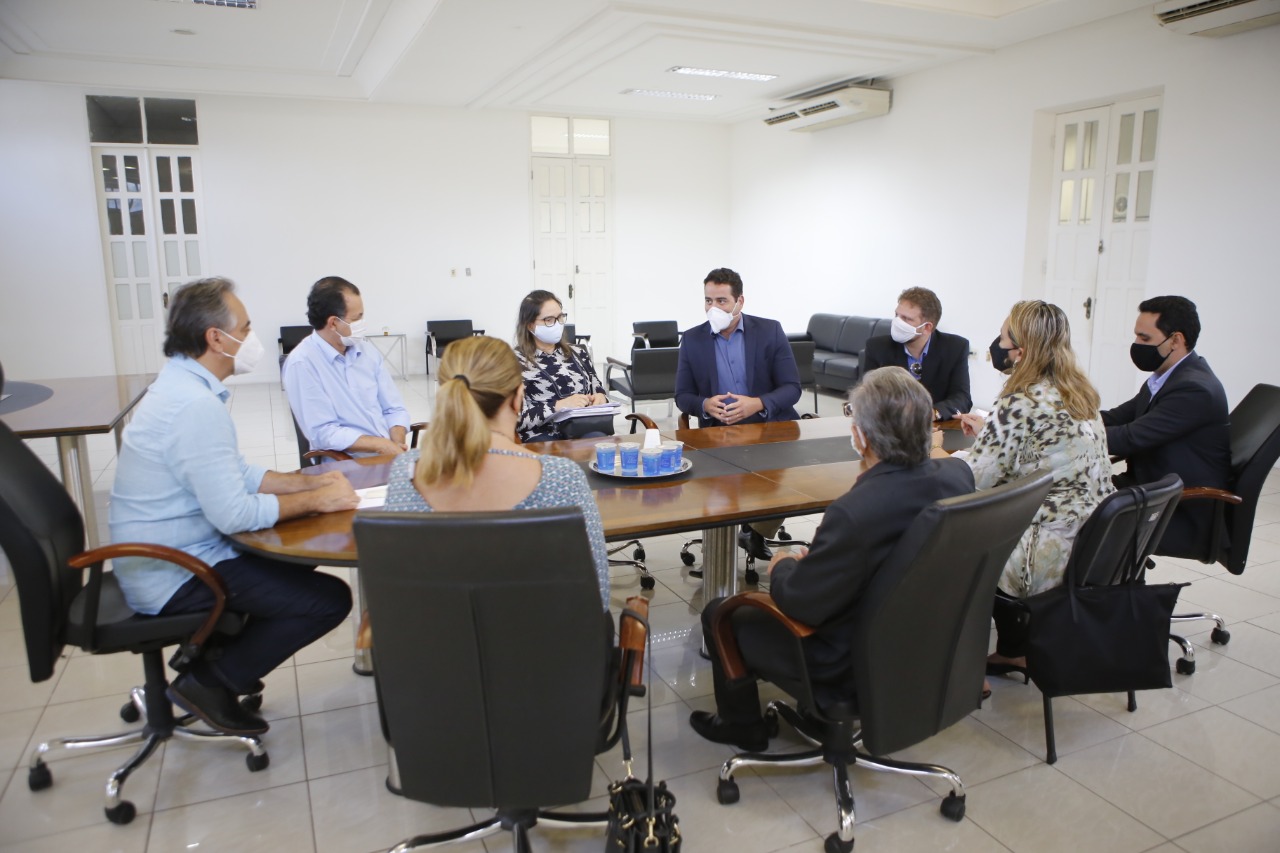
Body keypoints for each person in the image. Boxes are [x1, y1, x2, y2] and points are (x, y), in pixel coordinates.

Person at [109, 277, 358, 736]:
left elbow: (232, 472)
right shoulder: (193, 407)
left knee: (294, 564)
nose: (251, 338)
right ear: (215, 338)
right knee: (327, 600)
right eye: (244, 328)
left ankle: (215, 657)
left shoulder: (182, 387)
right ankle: (208, 682)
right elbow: (235, 515)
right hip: (174, 572)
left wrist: (305, 481)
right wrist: (315, 499)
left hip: (165, 553)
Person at [689, 367, 975, 750]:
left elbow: (800, 604)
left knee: (719, 612)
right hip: (927, 646)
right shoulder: (957, 476)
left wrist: (785, 564)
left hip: (846, 662)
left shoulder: (855, 511)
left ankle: (743, 727)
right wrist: (827, 557)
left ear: (862, 436)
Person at [383, 335, 610, 608]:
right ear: (518, 398)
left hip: (435, 645)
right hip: (544, 644)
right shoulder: (560, 477)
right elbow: (597, 595)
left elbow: (396, 595)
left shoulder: (405, 474)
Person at [955, 300, 1113, 676]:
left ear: (1021, 352)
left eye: (1003, 338)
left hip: (1042, 554)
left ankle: (958, 666)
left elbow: (977, 475)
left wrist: (936, 460)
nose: (997, 345)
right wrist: (991, 433)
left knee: (949, 549)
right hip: (1094, 540)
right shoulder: (1081, 393)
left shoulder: (1021, 400)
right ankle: (1013, 648)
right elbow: (1046, 453)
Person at [675, 267, 803, 561]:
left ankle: (756, 531)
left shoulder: (769, 331)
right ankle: (721, 538)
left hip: (768, 425)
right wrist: (705, 404)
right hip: (718, 431)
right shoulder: (693, 339)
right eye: (708, 301)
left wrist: (757, 403)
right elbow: (682, 395)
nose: (713, 308)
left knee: (788, 476)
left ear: (739, 302)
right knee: (721, 480)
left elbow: (792, 388)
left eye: (721, 301)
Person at [1101, 296, 1230, 558]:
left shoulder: (1194, 389)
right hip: (1151, 489)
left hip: (1179, 512)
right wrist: (1060, 420)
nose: (1136, 345)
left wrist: (1066, 434)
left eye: (1145, 338)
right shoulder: (1167, 377)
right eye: (1136, 336)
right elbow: (1116, 418)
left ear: (1176, 340)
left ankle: (1093, 593)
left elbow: (1130, 437)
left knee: (1066, 514)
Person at [282, 276, 411, 457]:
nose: (362, 324)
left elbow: (394, 408)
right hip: (345, 464)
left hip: (386, 456)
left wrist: (397, 442)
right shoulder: (303, 363)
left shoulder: (367, 352)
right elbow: (323, 432)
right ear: (333, 323)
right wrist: (379, 445)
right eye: (357, 318)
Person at [513, 290, 610, 443]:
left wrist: (600, 398)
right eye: (549, 320)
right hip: (544, 438)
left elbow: (597, 389)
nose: (557, 324)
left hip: (584, 430)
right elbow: (516, 419)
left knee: (602, 447)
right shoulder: (514, 362)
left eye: (560, 317)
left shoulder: (578, 353)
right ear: (530, 325)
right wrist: (558, 406)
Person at [862, 286, 972, 420]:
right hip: (892, 426)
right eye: (897, 315)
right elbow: (867, 395)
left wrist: (933, 413)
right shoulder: (877, 347)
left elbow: (962, 398)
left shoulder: (956, 347)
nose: (897, 322)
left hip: (937, 428)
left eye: (906, 319)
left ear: (927, 327)